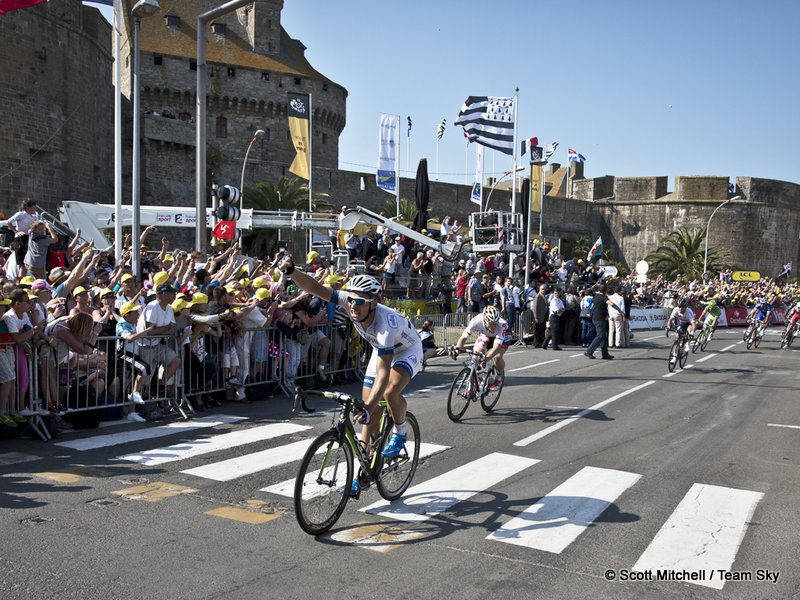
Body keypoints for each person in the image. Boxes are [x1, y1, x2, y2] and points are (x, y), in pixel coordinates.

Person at [278, 257, 422, 497]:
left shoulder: (386, 325)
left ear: (374, 304)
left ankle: (400, 432)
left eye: (360, 302)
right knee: (368, 416)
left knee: (388, 391)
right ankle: (364, 473)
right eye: (351, 300)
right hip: (380, 349)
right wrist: (293, 271)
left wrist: (368, 406)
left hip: (406, 349)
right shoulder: (348, 300)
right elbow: (314, 287)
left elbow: (384, 373)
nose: (353, 306)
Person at [451, 305, 510, 390]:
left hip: (503, 337)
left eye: (495, 323)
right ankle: (480, 375)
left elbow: (497, 347)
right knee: (478, 353)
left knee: (497, 356)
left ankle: (499, 377)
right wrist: (456, 352)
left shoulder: (502, 324)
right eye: (491, 323)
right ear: (484, 320)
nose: (493, 326)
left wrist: (486, 358)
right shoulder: (476, 321)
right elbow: (463, 338)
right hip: (486, 334)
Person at [584, 283, 619, 359]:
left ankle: (605, 353)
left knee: (603, 336)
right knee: (600, 336)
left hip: (597, 318)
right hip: (599, 319)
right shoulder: (603, 297)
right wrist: (619, 310)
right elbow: (611, 304)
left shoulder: (596, 296)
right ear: (605, 290)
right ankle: (589, 351)